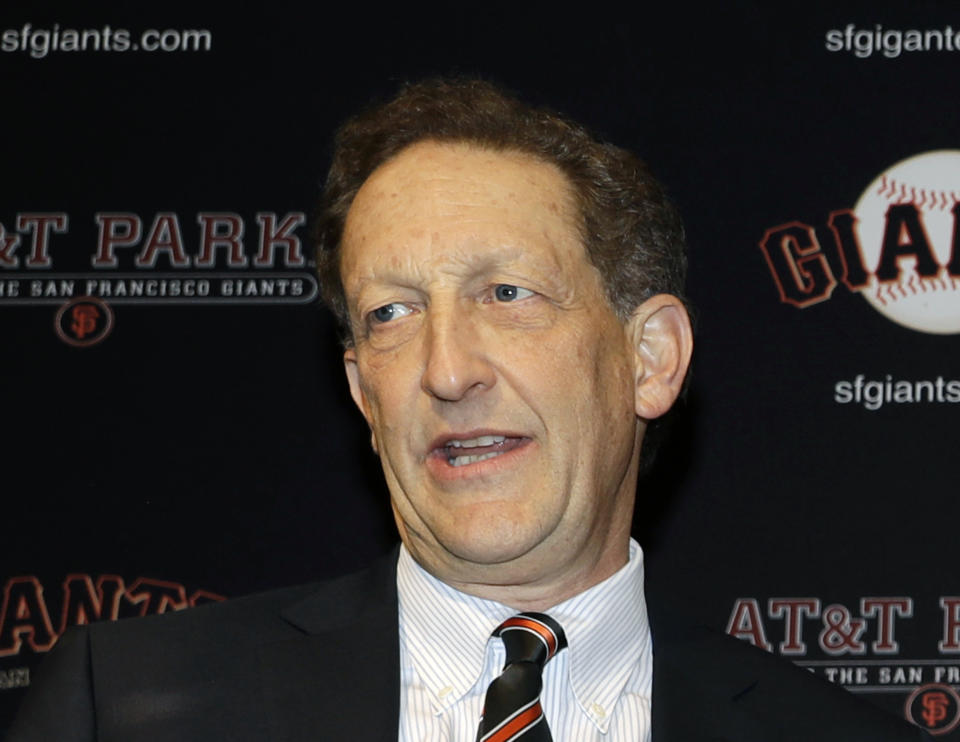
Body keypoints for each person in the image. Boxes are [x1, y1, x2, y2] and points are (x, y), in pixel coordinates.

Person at [7, 79, 927, 741]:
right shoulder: (124, 707)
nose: (446, 371)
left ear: (650, 360)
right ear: (364, 394)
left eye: (508, 294)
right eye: (392, 314)